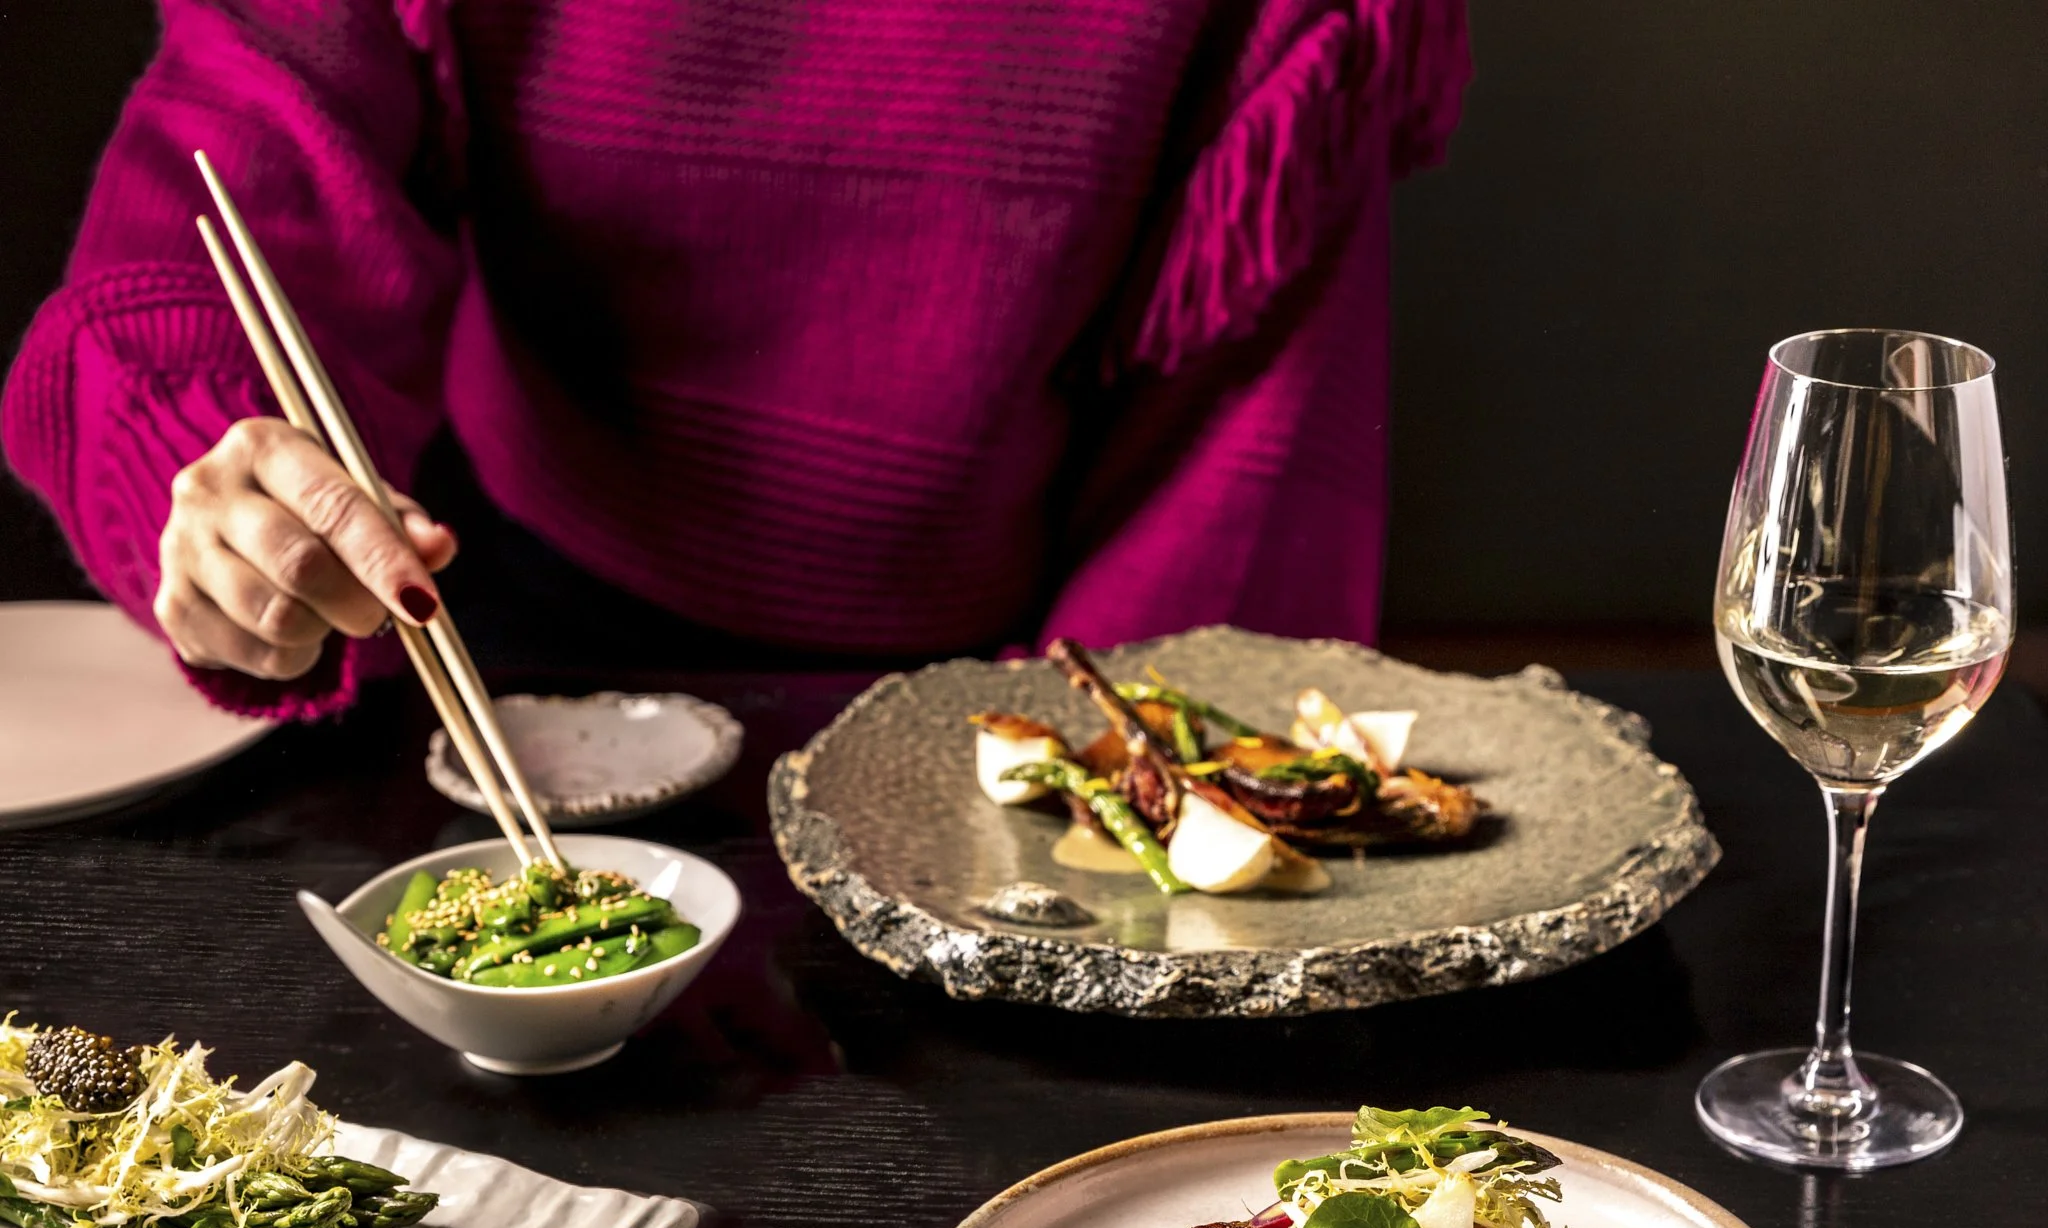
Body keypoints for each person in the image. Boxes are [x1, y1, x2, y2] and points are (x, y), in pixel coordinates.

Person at [2, 0, 1469, 719]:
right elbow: (225, 177)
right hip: (492, 640)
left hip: (1024, 686)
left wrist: (1109, 783)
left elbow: (1246, 452)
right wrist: (222, 498)